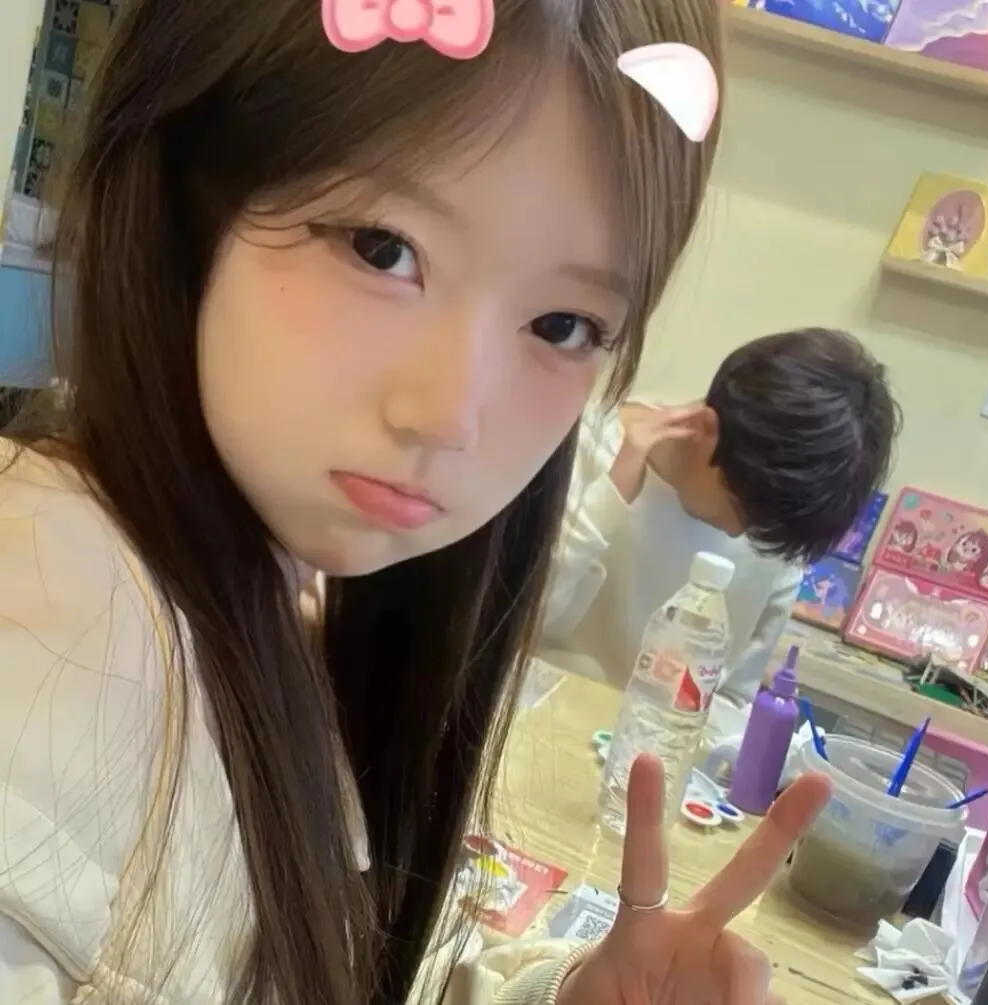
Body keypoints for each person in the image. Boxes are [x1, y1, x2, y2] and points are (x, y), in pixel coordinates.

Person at [0, 2, 833, 1004]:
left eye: (562, 324)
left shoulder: (274, 584)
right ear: (185, 188)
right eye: (380, 248)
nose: (450, 416)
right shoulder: (52, 626)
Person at [543, 328, 900, 703]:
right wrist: (608, 501)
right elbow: (517, 629)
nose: (738, 532)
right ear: (705, 429)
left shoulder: (775, 521)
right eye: (739, 510)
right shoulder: (578, 447)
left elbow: (733, 695)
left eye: (760, 527)